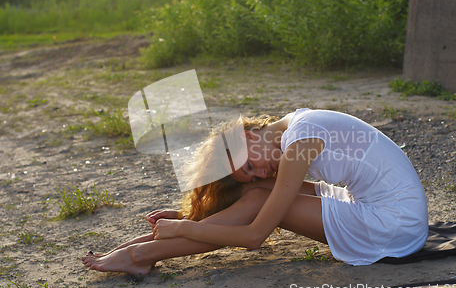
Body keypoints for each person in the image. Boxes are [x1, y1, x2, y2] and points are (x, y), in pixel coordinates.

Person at [81, 108, 428, 275]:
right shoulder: (294, 124)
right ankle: (135, 251)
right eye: (249, 173)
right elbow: (275, 196)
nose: (261, 171)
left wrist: (185, 228)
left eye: (249, 165)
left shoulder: (298, 143)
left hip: (394, 224)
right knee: (259, 193)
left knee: (260, 198)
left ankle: (140, 257)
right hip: (382, 210)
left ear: (246, 136)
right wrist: (191, 217)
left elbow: (253, 236)